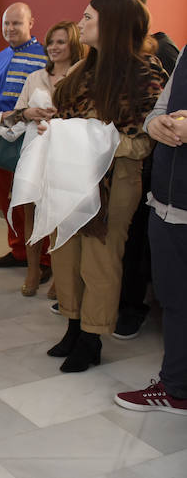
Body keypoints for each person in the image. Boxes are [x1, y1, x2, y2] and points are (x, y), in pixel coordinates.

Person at [46, 0, 164, 372]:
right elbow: (67, 113)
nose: (80, 23)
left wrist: (99, 142)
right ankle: (73, 323)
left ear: (112, 25)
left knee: (100, 258)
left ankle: (93, 337)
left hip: (115, 179)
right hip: (70, 174)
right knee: (64, 252)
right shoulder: (83, 67)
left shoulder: (146, 72)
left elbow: (148, 137)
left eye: (88, 17)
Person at [103, 0, 179, 340]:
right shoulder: (104, 62)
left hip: (142, 168)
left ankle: (132, 307)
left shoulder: (158, 56)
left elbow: (155, 117)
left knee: (133, 242)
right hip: (112, 169)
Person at [115, 46, 187, 414]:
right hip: (168, 197)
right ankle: (176, 386)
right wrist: (154, 122)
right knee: (174, 300)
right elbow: (162, 104)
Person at [1, 21, 86, 296]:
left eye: (60, 42)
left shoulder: (82, 77)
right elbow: (13, 116)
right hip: (34, 151)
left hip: (66, 156)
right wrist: (28, 113)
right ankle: (33, 270)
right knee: (31, 214)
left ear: (73, 44)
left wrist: (60, 119)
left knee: (61, 214)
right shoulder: (35, 77)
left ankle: (60, 276)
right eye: (51, 42)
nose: (53, 47)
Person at [0, 3, 49, 272]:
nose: (10, 29)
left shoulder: (45, 57)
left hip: (30, 137)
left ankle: (43, 259)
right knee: (5, 194)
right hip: (0, 134)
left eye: (16, 23)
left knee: (32, 199)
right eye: (6, 24)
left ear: (31, 22)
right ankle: (18, 249)